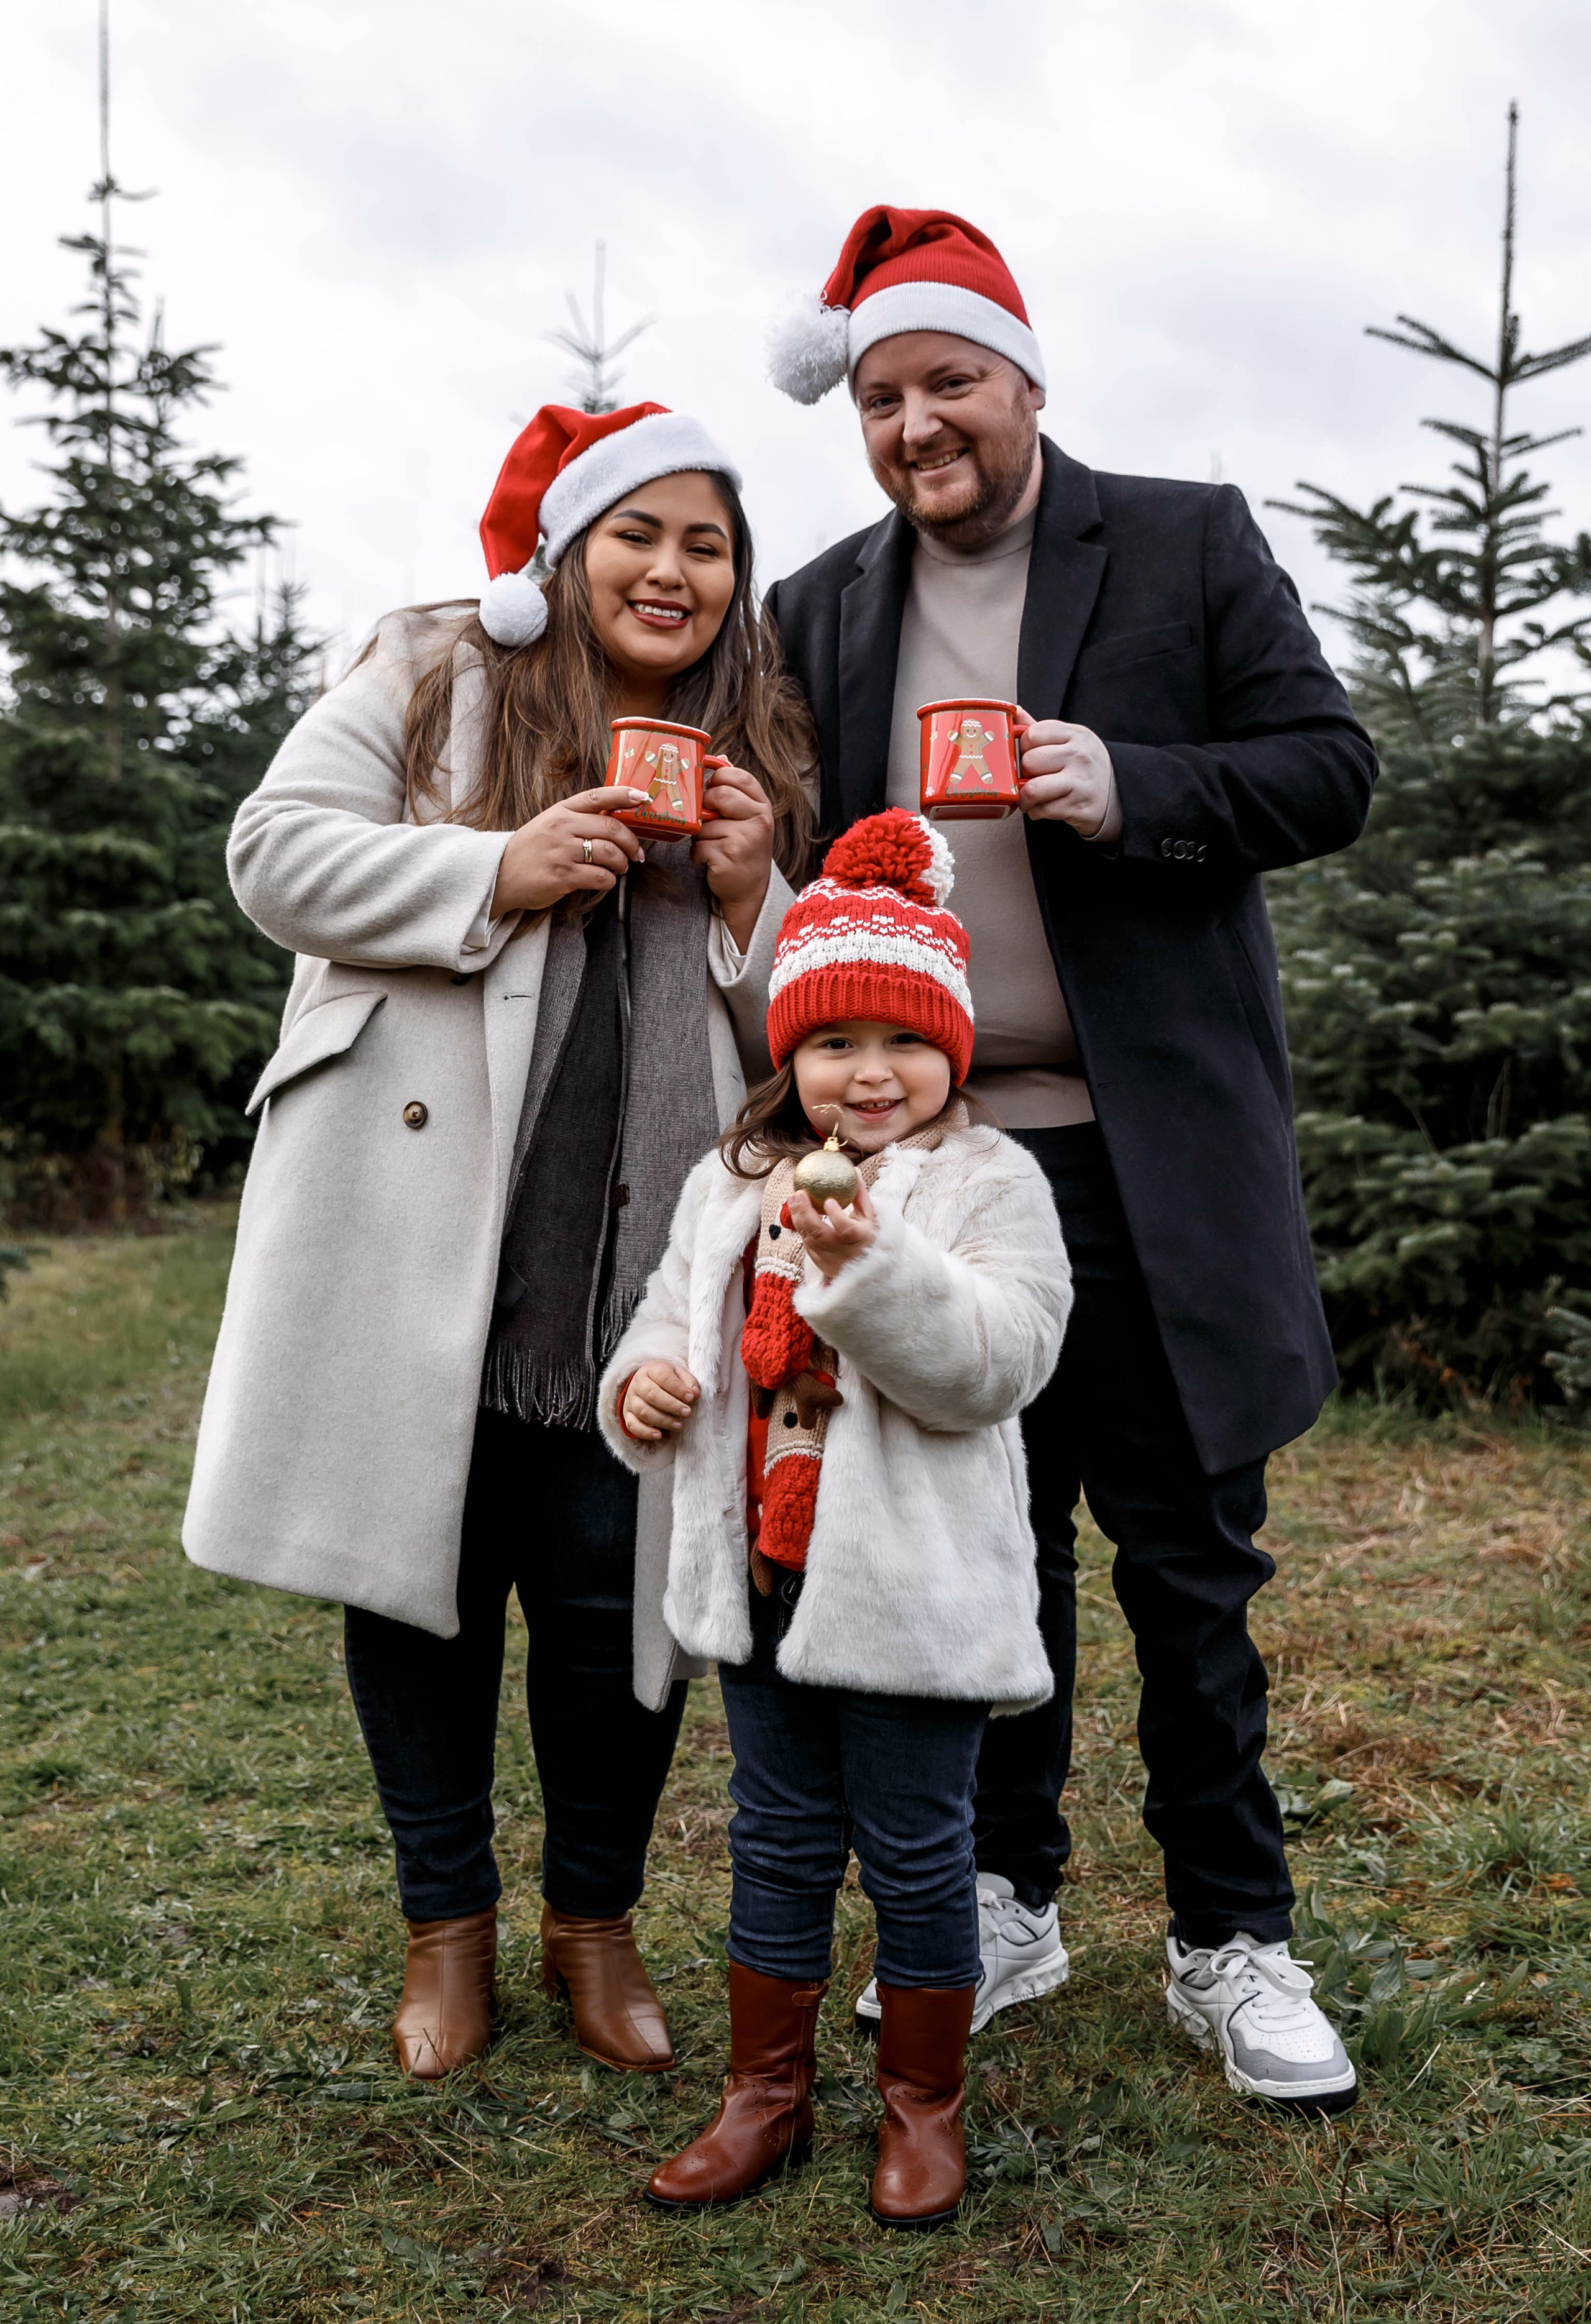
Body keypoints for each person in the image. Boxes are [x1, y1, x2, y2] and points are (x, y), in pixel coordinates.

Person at [762, 208, 1377, 2115]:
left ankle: (1233, 1938)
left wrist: (1137, 785)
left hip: (1149, 1161)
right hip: (941, 1173)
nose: (917, 424)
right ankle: (1007, 1898)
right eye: (881, 398)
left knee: (1187, 1565)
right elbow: (792, 856)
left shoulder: (1186, 541)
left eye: (949, 381)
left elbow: (1331, 768)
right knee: (982, 1557)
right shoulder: (822, 606)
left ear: (1025, 381)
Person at [183, 401, 816, 2082]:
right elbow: (272, 854)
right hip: (428, 1222)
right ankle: (445, 1930)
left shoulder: (752, 737)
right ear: (567, 553)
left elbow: (815, 1043)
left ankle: (592, 1924)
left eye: (707, 546)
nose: (672, 572)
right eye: (638, 535)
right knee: (429, 1585)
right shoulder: (438, 670)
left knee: (625, 1596)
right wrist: (496, 868)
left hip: (646, 1261)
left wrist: (754, 900)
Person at [598, 810, 1070, 2226]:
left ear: (954, 1048)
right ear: (788, 1052)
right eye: (834, 1042)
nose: (869, 1073)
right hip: (764, 1573)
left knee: (920, 1849)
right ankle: (765, 2094)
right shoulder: (731, 1183)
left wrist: (870, 1269)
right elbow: (666, 1317)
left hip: (914, 1592)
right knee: (777, 1835)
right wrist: (645, 1381)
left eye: (904, 1040)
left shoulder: (990, 1183)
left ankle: (923, 2106)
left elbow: (993, 1364)